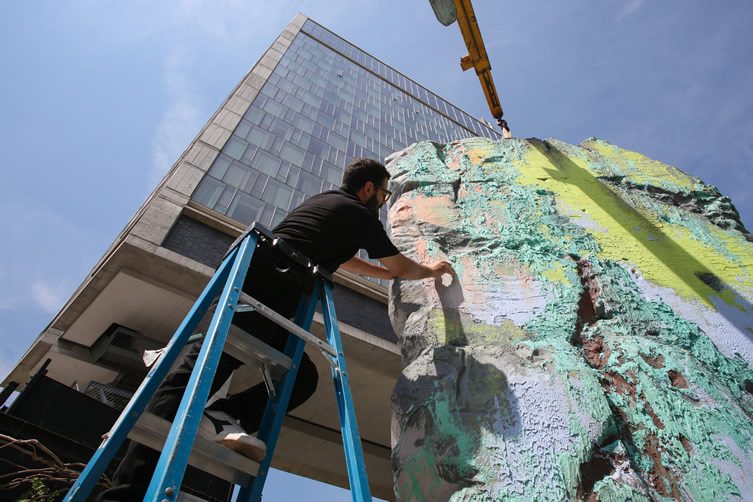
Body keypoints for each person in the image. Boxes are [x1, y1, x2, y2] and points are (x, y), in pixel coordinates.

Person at [98, 157, 454, 500]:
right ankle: (124, 494)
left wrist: (385, 273)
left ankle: (223, 415)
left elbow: (348, 260)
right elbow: (401, 266)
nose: (384, 201)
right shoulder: (358, 214)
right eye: (384, 194)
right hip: (264, 284)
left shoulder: (329, 205)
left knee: (301, 379)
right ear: (368, 189)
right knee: (192, 377)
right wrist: (433, 270)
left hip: (276, 292)